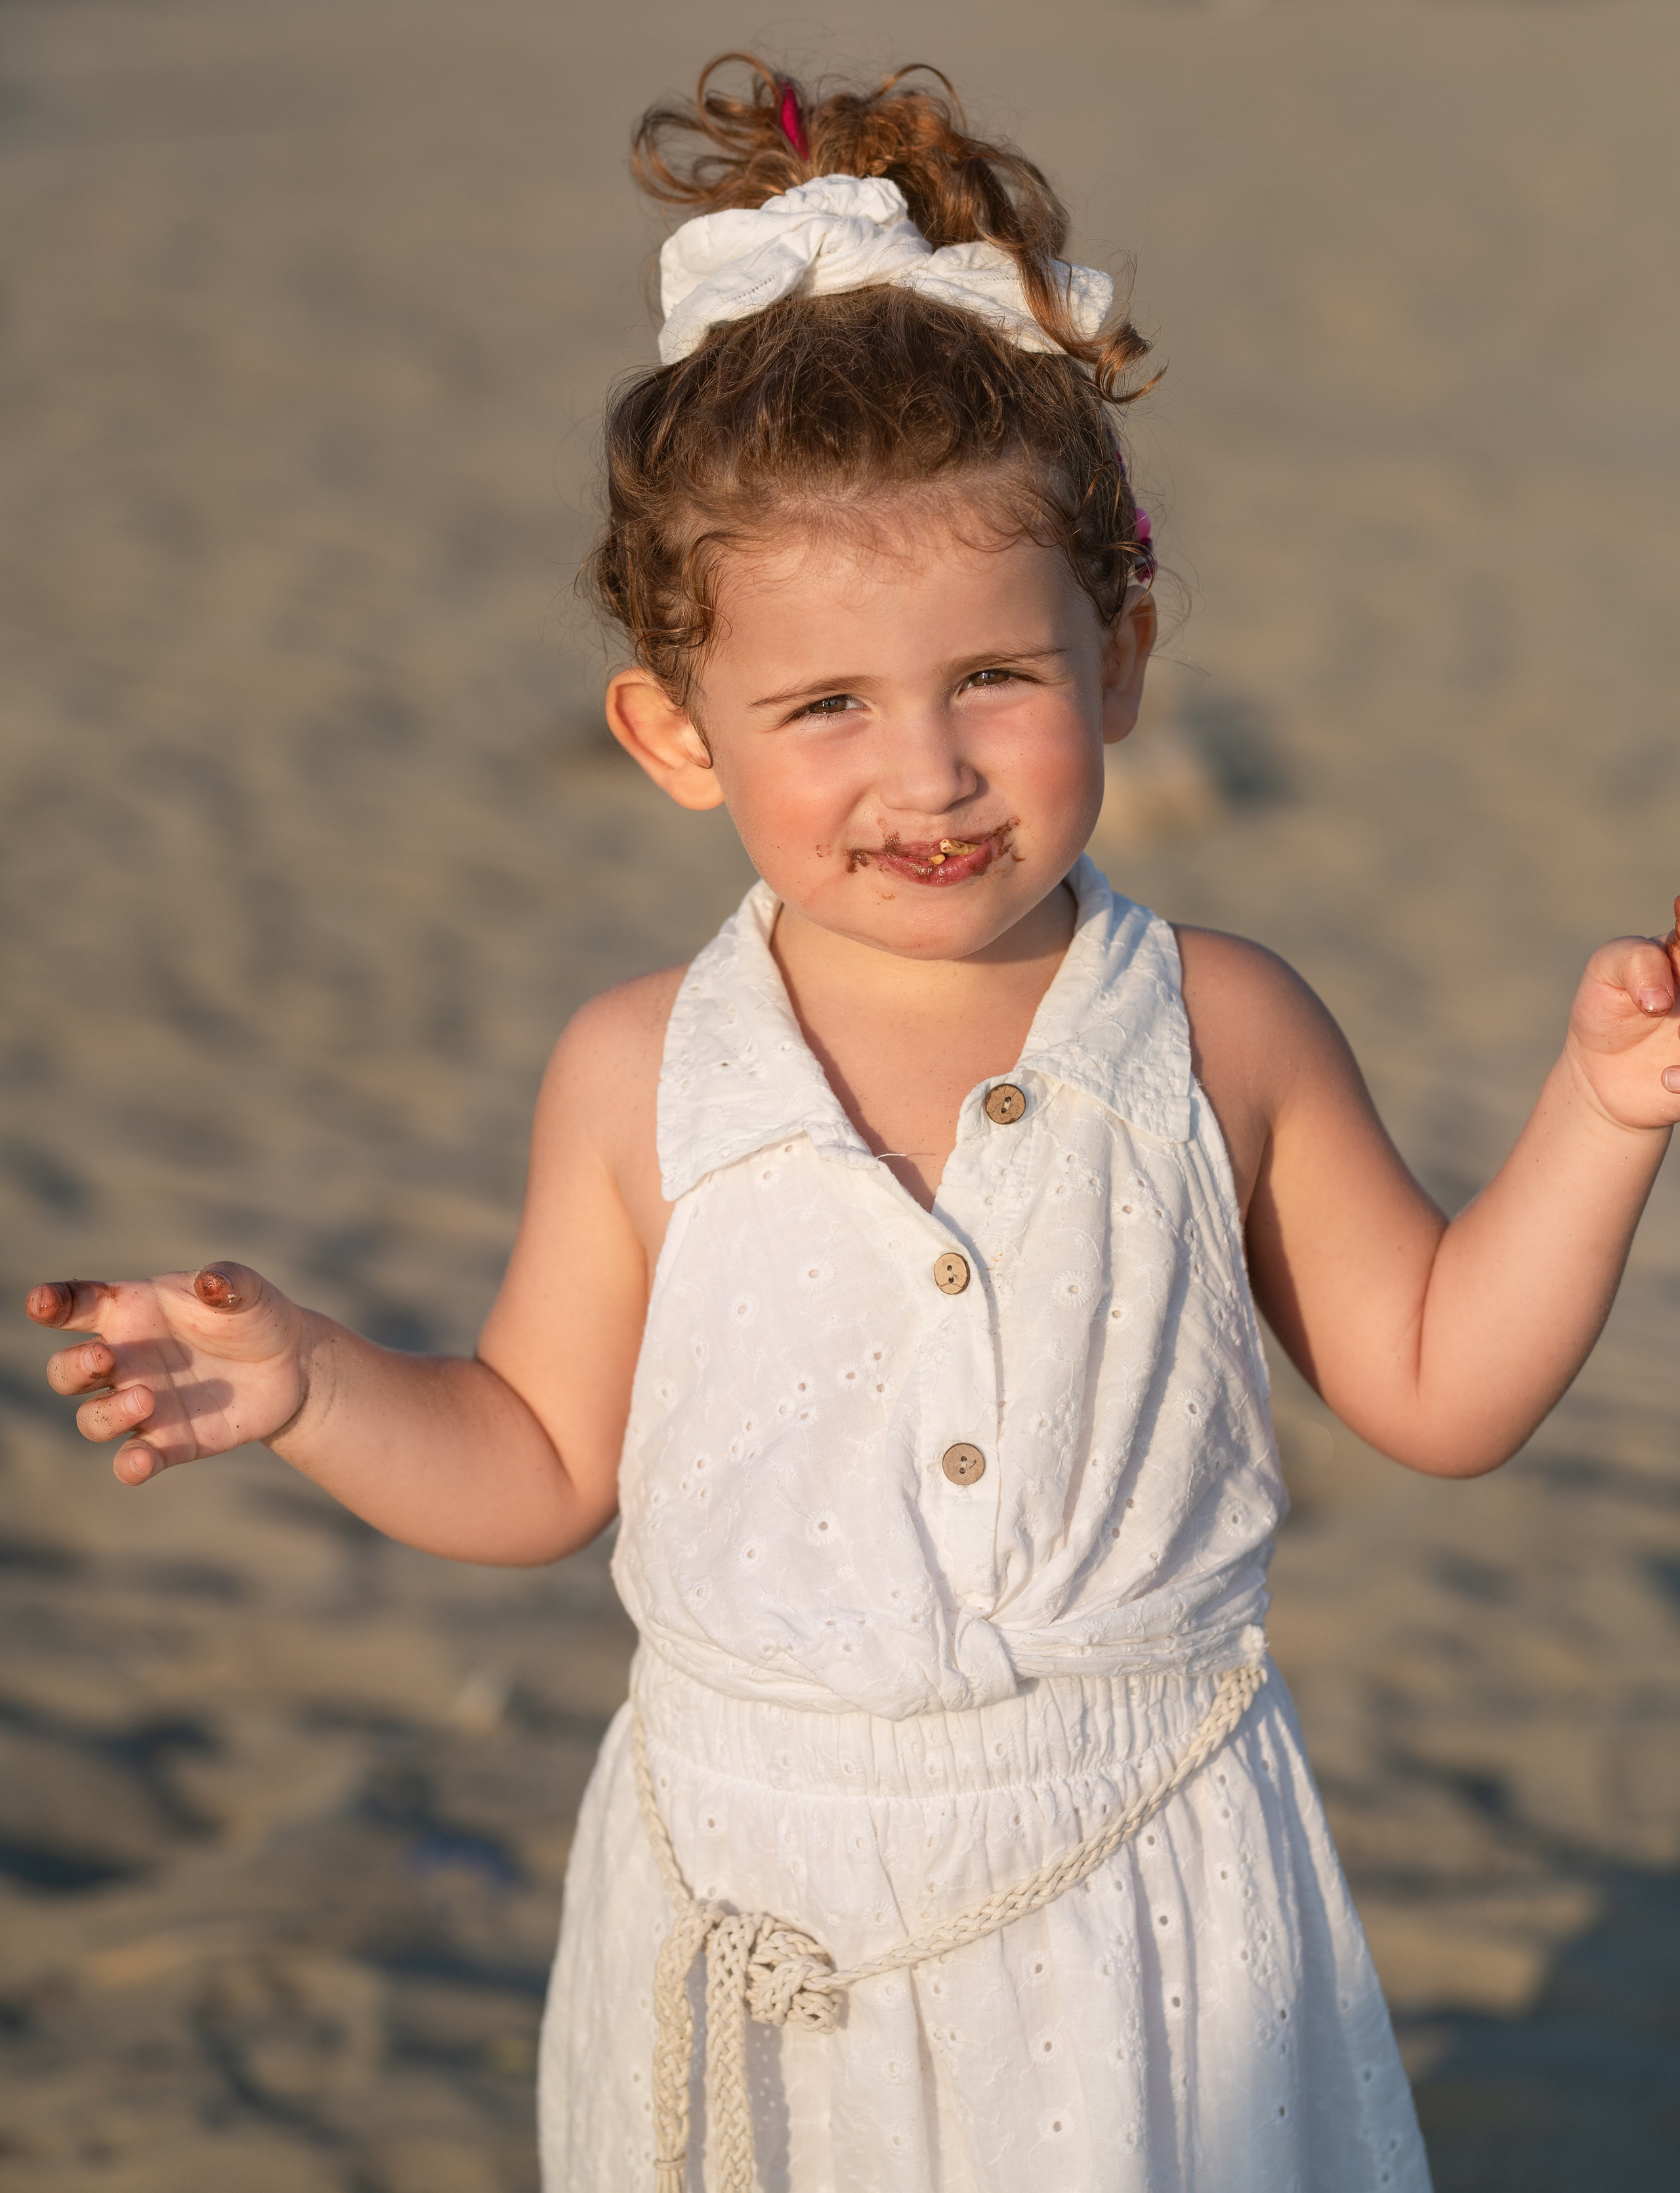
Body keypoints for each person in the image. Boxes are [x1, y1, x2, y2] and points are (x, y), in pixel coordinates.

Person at [26, 53, 1680, 2193]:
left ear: (1125, 657)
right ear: (672, 731)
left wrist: (1607, 1105)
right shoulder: (641, 1068)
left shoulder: (1220, 1027)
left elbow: (1444, 1388)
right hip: (747, 1900)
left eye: (997, 676)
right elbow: (535, 1464)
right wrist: (320, 1384)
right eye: (823, 706)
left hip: (1137, 1905)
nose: (930, 774)